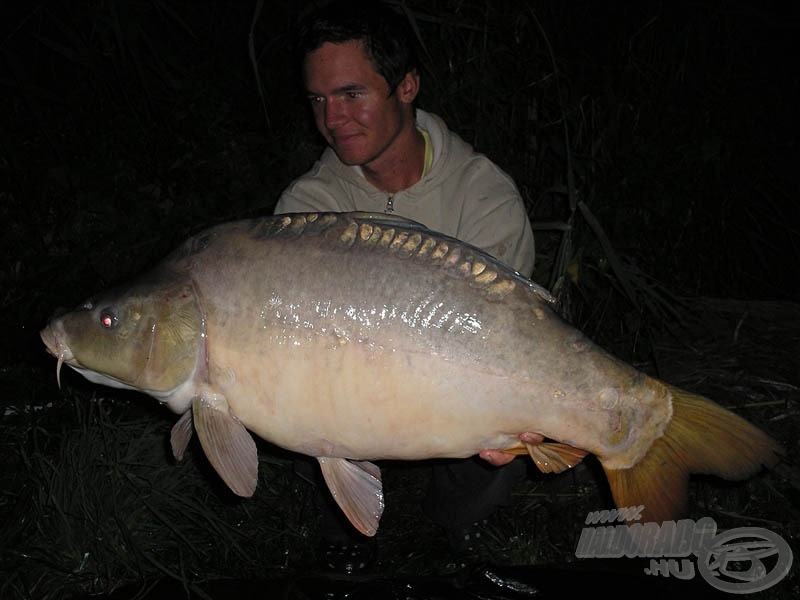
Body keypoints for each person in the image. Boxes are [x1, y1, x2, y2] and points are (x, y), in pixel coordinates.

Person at [274, 0, 539, 573]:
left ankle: (454, 524)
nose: (332, 118)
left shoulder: (485, 196)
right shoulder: (308, 205)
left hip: (454, 381)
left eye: (351, 94)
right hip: (347, 378)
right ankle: (346, 527)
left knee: (507, 444)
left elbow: (510, 333)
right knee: (291, 401)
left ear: (407, 86)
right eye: (318, 99)